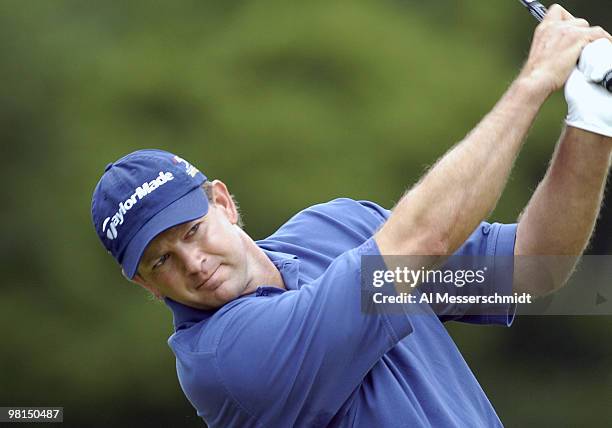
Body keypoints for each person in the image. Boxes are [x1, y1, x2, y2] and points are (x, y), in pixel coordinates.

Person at [91, 5, 612, 427]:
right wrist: (532, 83)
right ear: (146, 286)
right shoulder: (223, 361)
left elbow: (531, 264)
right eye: (161, 261)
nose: (192, 262)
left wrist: (591, 119)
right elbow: (423, 240)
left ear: (223, 202)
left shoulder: (337, 227)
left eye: (192, 231)